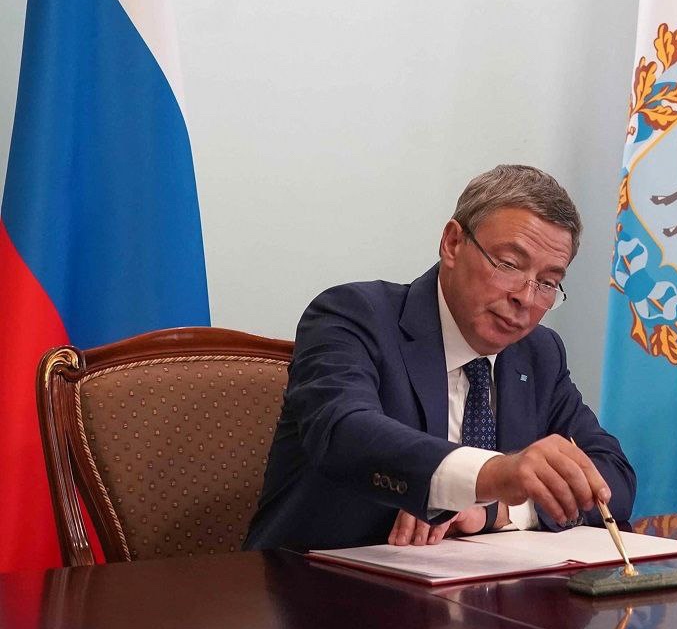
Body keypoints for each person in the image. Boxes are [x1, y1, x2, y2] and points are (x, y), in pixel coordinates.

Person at [245, 165, 636, 551]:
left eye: (548, 282)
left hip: (475, 585)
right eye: (509, 264)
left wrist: (495, 510)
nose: (526, 297)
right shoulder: (353, 315)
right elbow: (344, 432)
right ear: (452, 243)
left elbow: (613, 477)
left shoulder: (539, 354)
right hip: (315, 579)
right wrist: (488, 476)